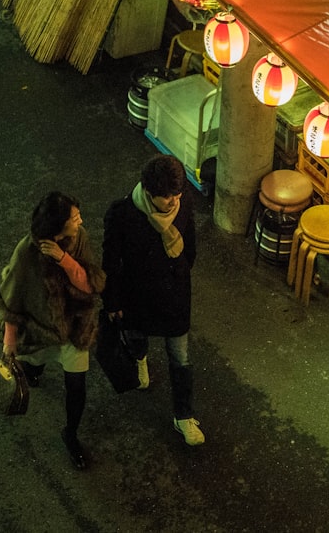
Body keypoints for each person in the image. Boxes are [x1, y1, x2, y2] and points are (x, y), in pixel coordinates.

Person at [0, 191, 105, 470]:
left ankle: (71, 434)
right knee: (33, 367)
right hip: (40, 331)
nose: (80, 222)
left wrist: (63, 259)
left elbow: (90, 285)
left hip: (74, 329)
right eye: (74, 219)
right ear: (57, 226)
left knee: (76, 385)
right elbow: (12, 302)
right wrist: (9, 345)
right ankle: (34, 371)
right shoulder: (26, 252)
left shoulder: (79, 240)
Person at [102, 154, 205, 445]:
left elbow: (191, 243)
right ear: (148, 192)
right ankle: (139, 359)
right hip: (137, 295)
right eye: (167, 197)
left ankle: (183, 416)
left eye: (177, 195)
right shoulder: (122, 214)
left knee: (181, 358)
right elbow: (111, 261)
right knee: (136, 336)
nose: (174, 202)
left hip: (174, 296)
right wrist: (112, 301)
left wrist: (183, 267)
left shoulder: (183, 202)